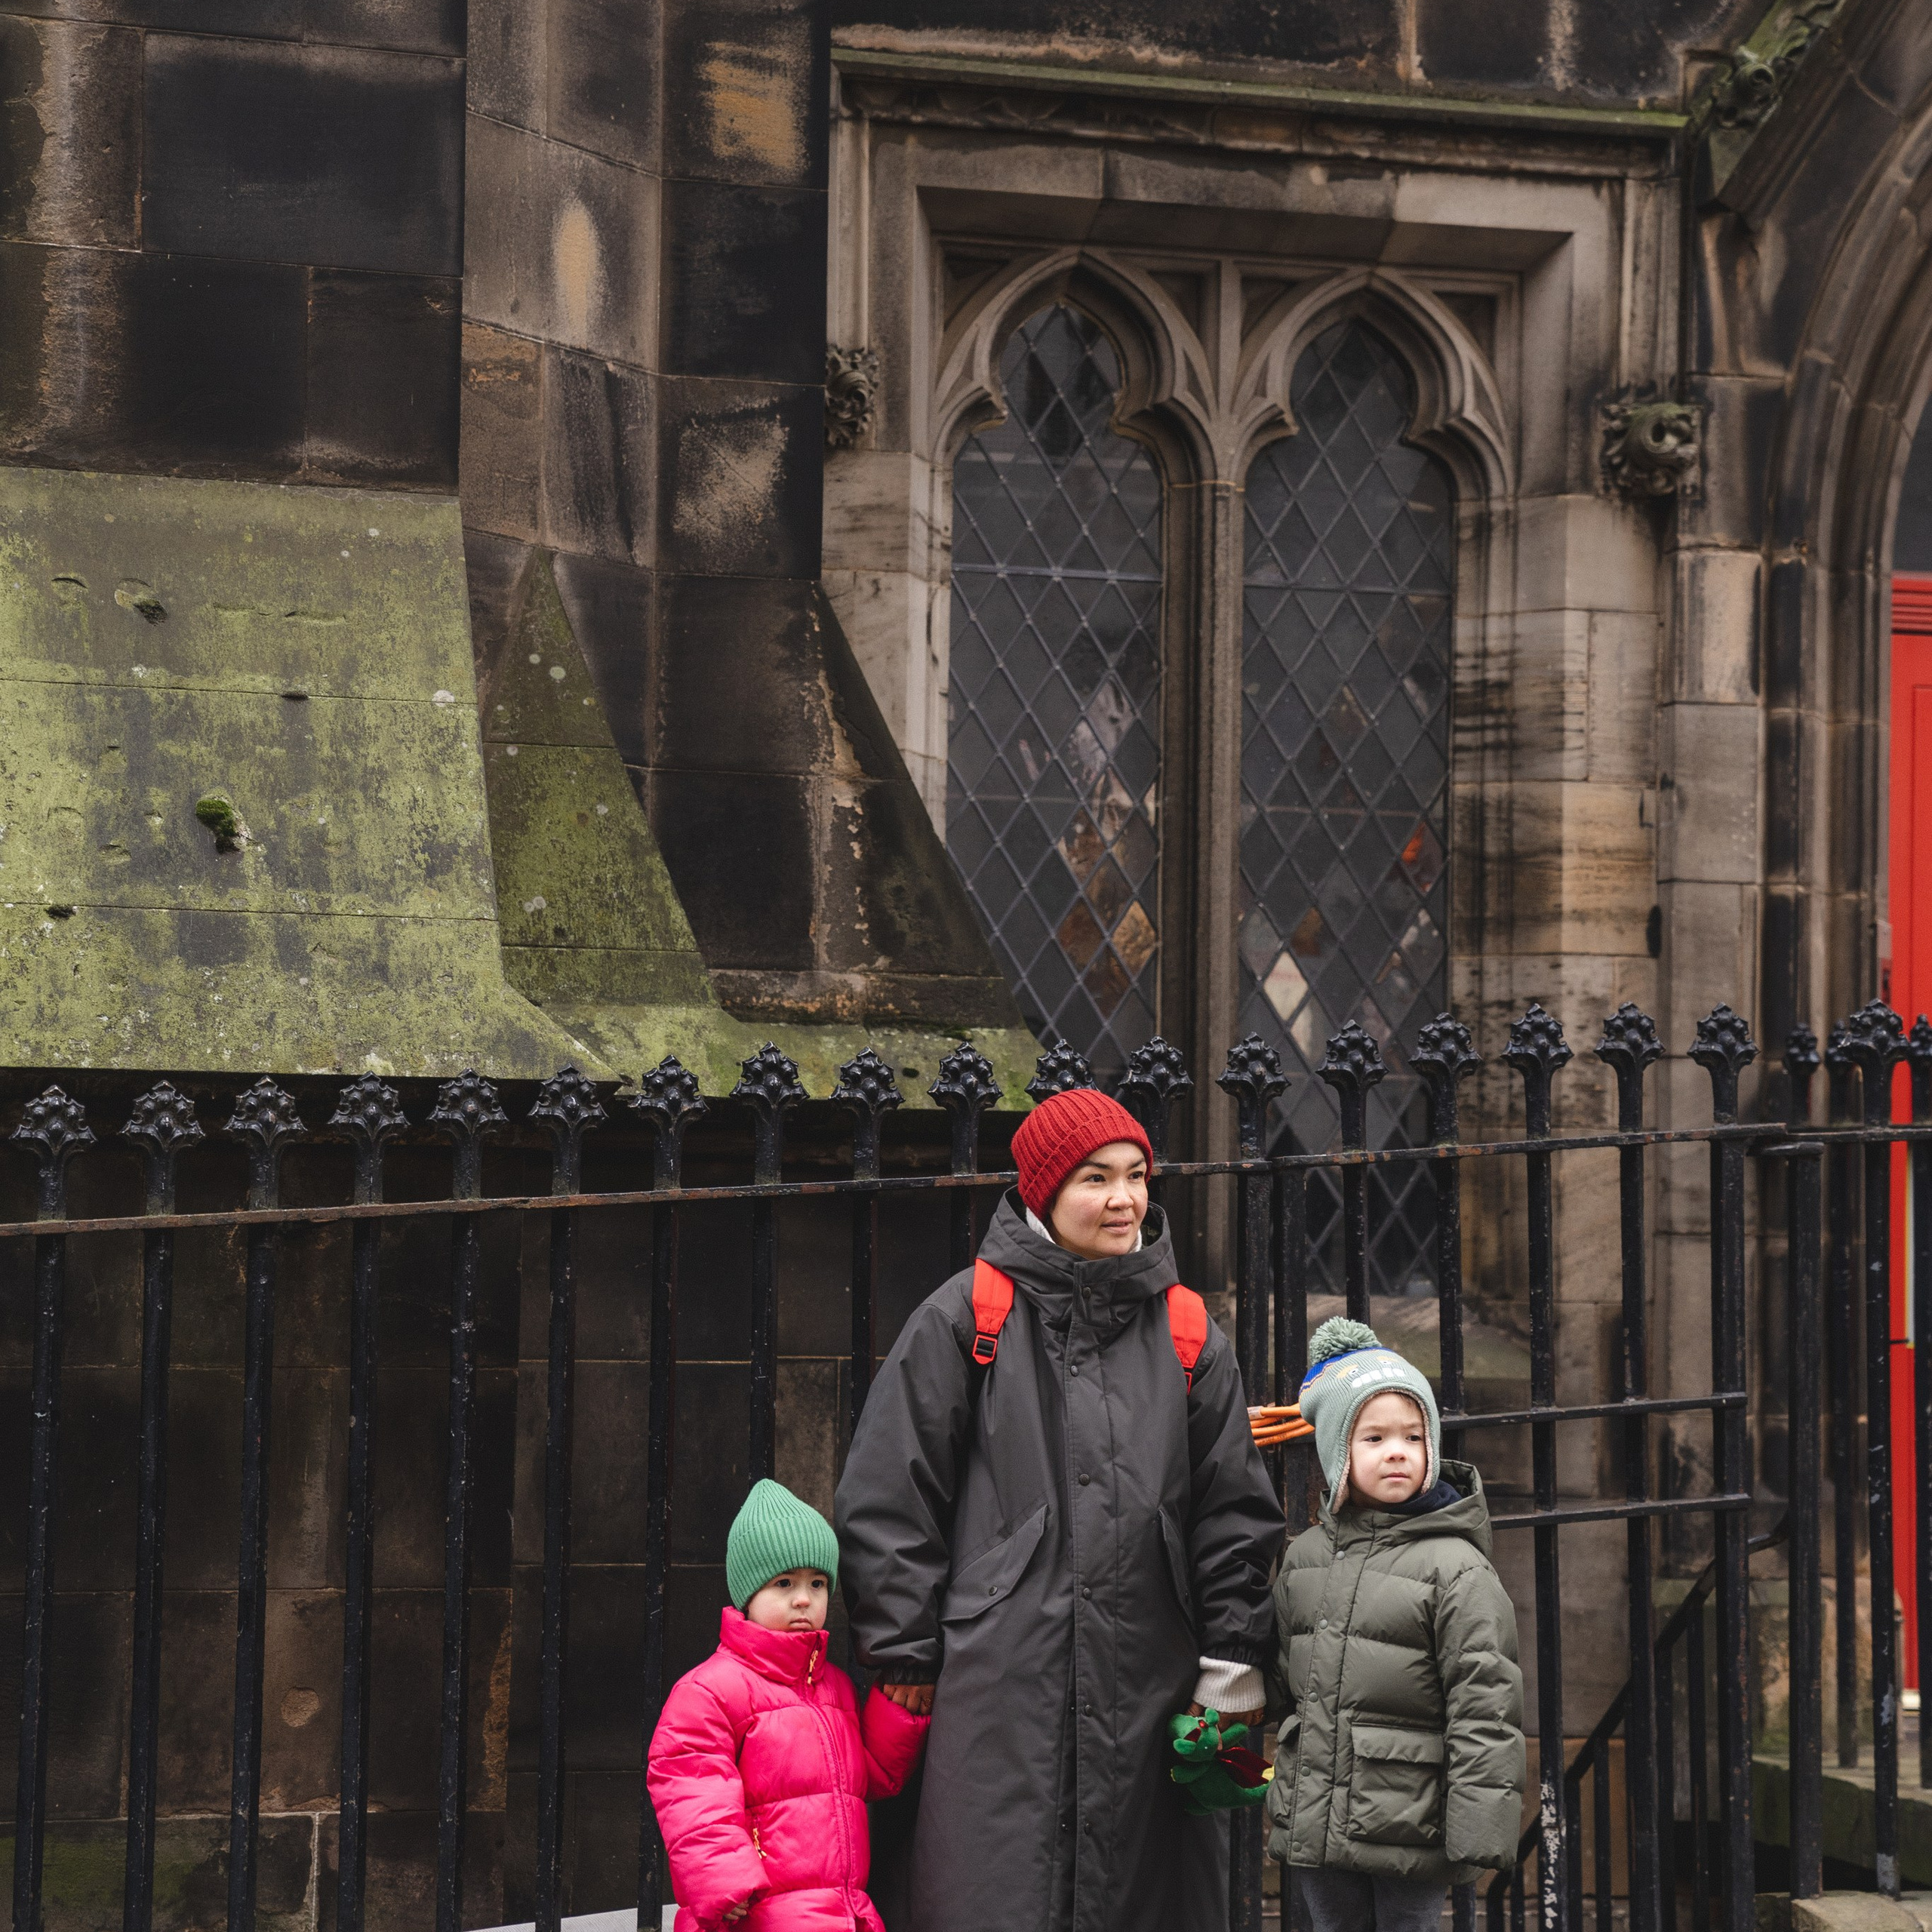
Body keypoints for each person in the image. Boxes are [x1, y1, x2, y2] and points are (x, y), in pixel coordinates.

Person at [835, 1087, 1284, 1932]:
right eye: (1095, 1178)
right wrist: (904, 1656)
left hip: (1152, 1689)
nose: (1124, 1199)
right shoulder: (965, 1315)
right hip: (996, 1698)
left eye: (1137, 1175)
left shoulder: (1186, 1330)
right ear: (1043, 1191)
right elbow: (889, 1498)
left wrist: (1230, 1659)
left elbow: (1232, 1511)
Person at [1268, 1318, 1526, 1932]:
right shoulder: (1305, 1558)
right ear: (1337, 1454)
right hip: (1319, 1817)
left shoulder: (1457, 1568)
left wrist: (1478, 1827)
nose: (1397, 1452)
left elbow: (1485, 1704)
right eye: (1374, 1437)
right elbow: (1287, 1679)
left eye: (1413, 1437)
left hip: (1414, 1824)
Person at [647, 1479, 928, 1930]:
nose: (804, 1598)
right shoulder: (711, 1689)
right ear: (748, 1594)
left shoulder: (833, 1686)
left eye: (818, 1583)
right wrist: (722, 1880)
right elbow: (692, 1785)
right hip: (758, 1914)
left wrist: (898, 1711)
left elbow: (869, 1779)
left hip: (843, 1913)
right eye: (784, 1583)